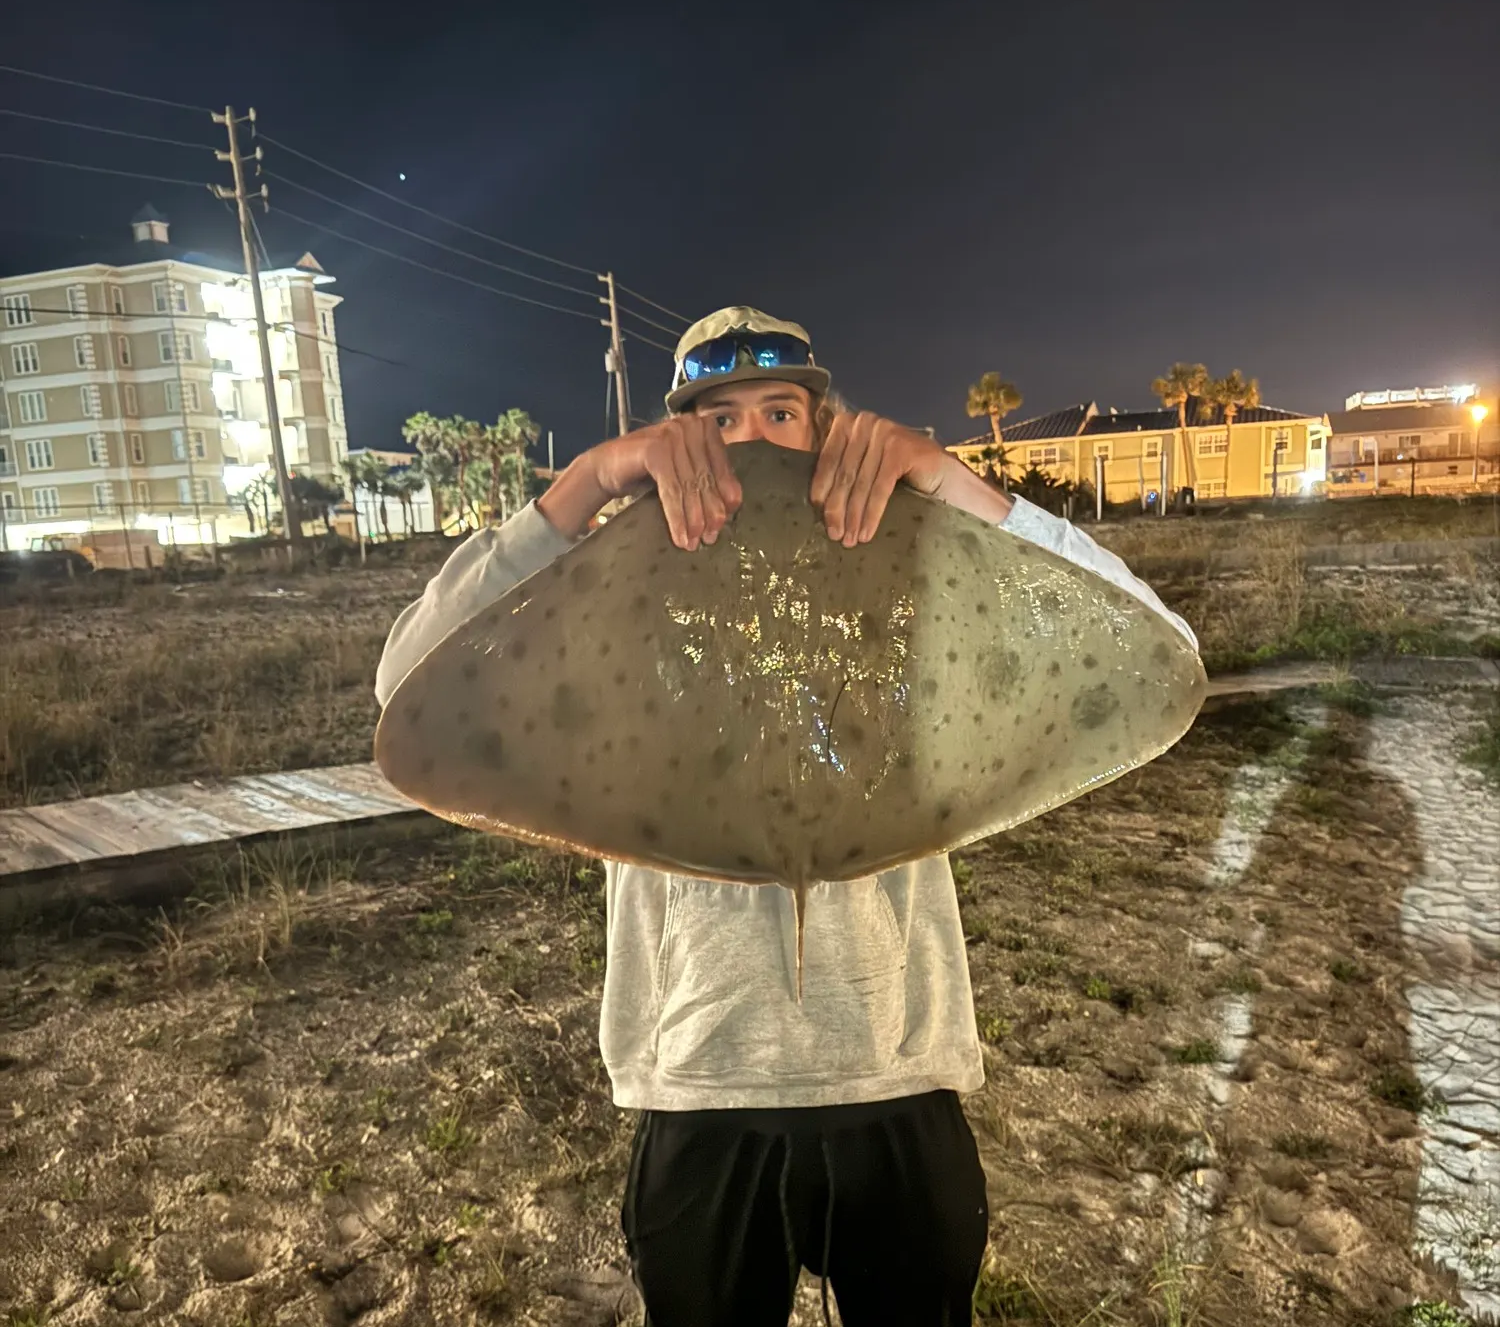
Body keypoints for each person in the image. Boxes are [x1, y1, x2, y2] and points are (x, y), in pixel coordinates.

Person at [374, 306, 1197, 1327]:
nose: (752, 439)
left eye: (779, 411)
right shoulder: (613, 597)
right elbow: (406, 680)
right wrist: (583, 489)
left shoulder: (914, 576)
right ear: (669, 445)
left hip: (898, 1074)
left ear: (828, 428)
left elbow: (1155, 645)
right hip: (702, 1082)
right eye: (716, 421)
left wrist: (948, 484)